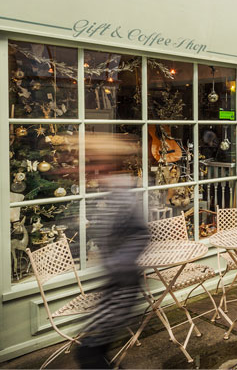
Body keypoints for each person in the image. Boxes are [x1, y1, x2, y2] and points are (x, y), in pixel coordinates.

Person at [75, 134, 150, 368]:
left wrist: (117, 264)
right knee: (92, 351)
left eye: (94, 162)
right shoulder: (111, 193)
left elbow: (140, 234)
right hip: (116, 282)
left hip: (123, 283)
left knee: (89, 352)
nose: (89, 168)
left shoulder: (122, 196)